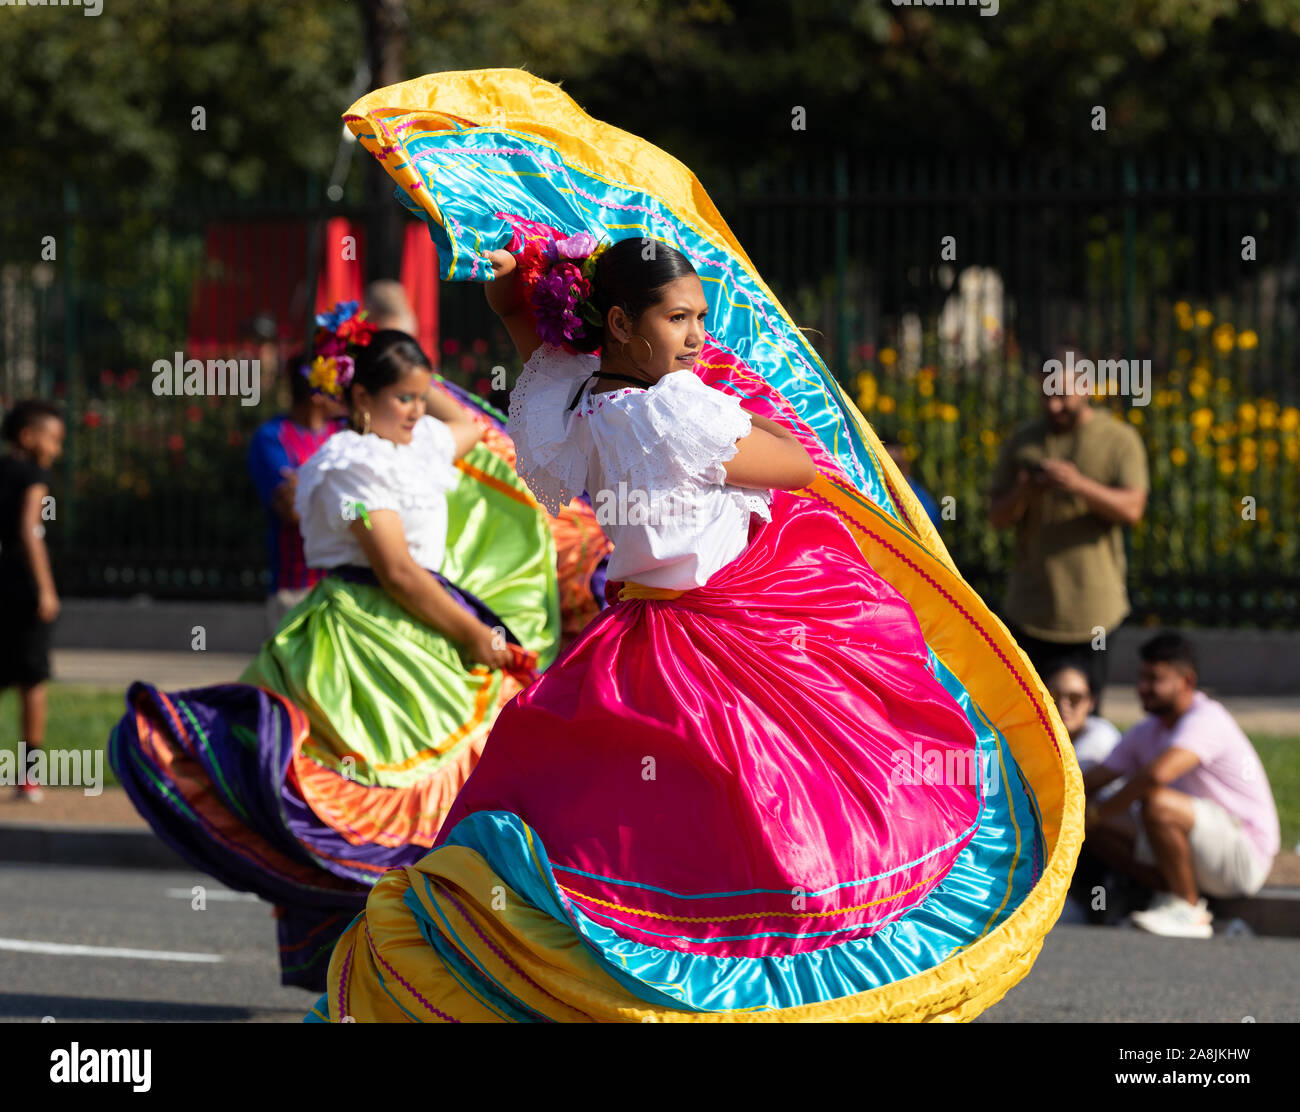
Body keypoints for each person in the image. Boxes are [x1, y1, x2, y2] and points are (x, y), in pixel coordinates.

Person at [109, 303, 563, 990]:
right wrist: (479, 634)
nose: (415, 410)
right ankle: (365, 971)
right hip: (364, 637)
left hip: (426, 639)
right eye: (400, 398)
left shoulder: (417, 447)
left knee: (439, 810)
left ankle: (412, 970)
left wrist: (396, 357)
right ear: (357, 399)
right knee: (363, 805)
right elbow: (398, 570)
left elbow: (468, 425)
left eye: (418, 396)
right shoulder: (350, 462)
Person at [1083, 632, 1280, 938]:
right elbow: (1094, 780)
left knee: (1157, 802)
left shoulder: (1207, 718)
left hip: (1244, 855)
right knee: (1086, 824)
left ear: (1186, 681)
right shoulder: (1147, 730)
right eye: (1141, 678)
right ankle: (1167, 897)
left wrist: (1100, 812)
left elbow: (1156, 776)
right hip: (1199, 847)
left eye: (1154, 679)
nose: (1142, 688)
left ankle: (1188, 909)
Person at [988, 351, 1149, 712]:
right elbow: (997, 517)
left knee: (1083, 719)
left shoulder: (1118, 439)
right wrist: (1025, 491)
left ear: (1086, 387)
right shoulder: (1024, 440)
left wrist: (1078, 485)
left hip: (1092, 611)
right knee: (1028, 718)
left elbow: (1133, 509)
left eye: (1062, 394)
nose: (1054, 405)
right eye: (1046, 395)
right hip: (1030, 607)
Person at [246, 353, 348, 633]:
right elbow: (291, 511)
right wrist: (341, 493)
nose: (345, 391)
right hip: (294, 590)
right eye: (337, 384)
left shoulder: (345, 434)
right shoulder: (271, 437)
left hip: (345, 586)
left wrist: (307, 487)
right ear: (317, 394)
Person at [1, 400, 65, 803]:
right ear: (28, 436)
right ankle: (29, 775)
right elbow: (31, 529)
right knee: (32, 679)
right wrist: (46, 587)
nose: (57, 449)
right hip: (22, 587)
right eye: (53, 438)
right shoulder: (34, 476)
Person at [883, 437, 942, 530]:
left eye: (897, 464)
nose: (892, 471)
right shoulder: (871, 490)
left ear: (906, 465)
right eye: (885, 465)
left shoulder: (919, 497)